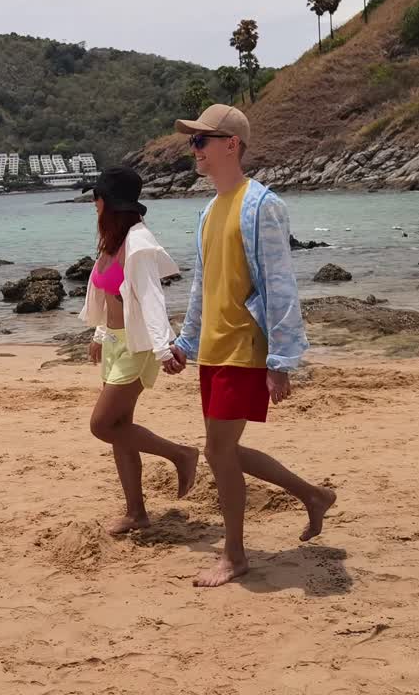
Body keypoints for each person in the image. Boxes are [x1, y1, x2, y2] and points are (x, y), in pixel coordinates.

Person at [165, 104, 336, 587]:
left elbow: (280, 285)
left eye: (201, 141)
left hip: (245, 346)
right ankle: (313, 495)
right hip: (214, 349)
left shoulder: (262, 205)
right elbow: (204, 284)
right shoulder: (209, 210)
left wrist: (280, 361)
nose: (193, 150)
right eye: (192, 142)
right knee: (224, 451)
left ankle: (235, 554)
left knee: (219, 450)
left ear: (230, 145)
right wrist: (186, 341)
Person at [79, 167, 200, 535]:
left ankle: (181, 454)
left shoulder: (140, 244)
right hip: (116, 343)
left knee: (101, 425)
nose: (93, 204)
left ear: (108, 202)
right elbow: (111, 293)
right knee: (119, 427)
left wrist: (165, 350)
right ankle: (136, 512)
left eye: (95, 197)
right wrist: (101, 333)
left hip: (138, 347)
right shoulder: (114, 242)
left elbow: (150, 298)